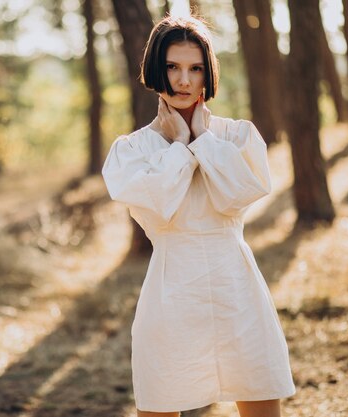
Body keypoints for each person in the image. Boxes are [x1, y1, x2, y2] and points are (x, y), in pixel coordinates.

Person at [101, 14, 297, 417]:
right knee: (161, 401)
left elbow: (239, 193)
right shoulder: (131, 151)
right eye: (172, 67)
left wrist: (203, 141)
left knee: (260, 397)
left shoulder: (236, 136)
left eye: (195, 68)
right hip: (172, 293)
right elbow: (160, 204)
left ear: (208, 73)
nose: (184, 81)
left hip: (237, 288)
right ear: (156, 68)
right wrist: (180, 146)